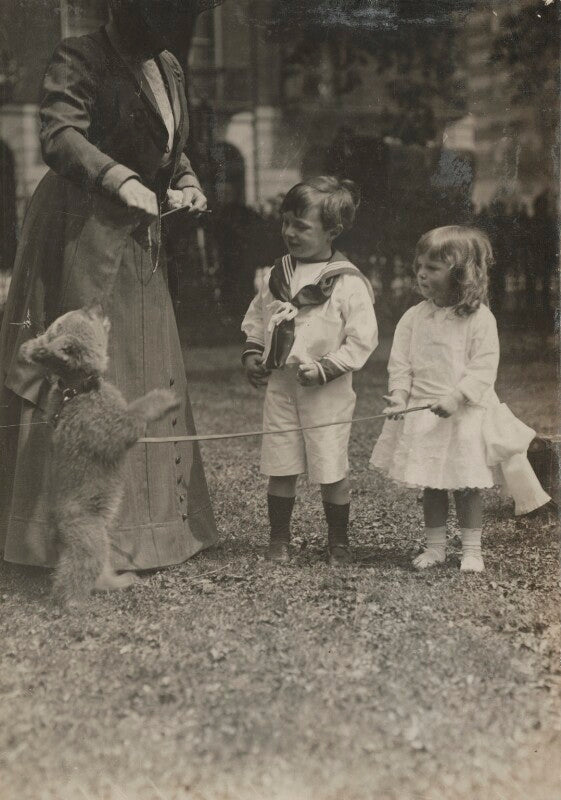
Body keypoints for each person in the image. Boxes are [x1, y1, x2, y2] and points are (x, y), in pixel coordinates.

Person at [0, 0, 223, 572]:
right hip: (81, 231)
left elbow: (167, 147)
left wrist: (186, 181)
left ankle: (152, 533)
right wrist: (116, 177)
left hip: (138, 234)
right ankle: (48, 537)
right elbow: (59, 133)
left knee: (140, 361)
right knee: (82, 367)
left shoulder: (169, 65)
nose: (171, 24)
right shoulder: (80, 55)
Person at [370, 226, 550, 573]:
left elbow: (484, 368)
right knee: (433, 483)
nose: (422, 273)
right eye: (419, 265)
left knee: (466, 485)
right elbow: (401, 364)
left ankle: (472, 550)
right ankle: (435, 547)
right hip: (425, 413)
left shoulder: (479, 318)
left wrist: (457, 397)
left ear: (461, 274)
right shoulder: (413, 317)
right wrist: (398, 397)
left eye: (433, 267)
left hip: (464, 414)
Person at [241, 176, 378, 564]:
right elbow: (257, 316)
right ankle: (278, 540)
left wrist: (326, 369)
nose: (290, 233)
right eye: (286, 222)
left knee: (330, 465)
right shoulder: (278, 273)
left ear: (332, 231)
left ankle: (338, 542)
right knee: (280, 461)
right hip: (283, 386)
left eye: (301, 226)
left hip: (326, 390)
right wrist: (253, 353)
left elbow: (363, 339)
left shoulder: (346, 282)